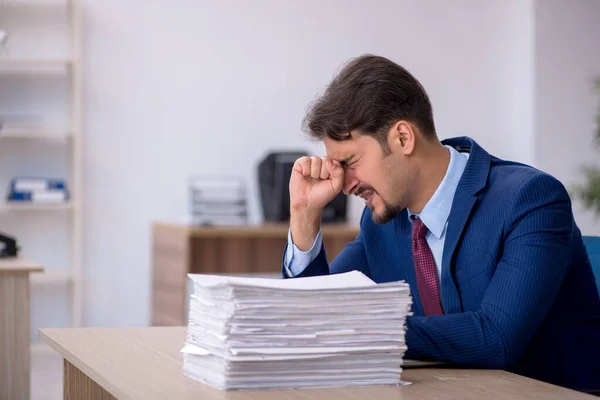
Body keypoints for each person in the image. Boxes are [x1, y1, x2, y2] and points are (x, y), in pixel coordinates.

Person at [281, 54, 600, 392]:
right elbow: (312, 320)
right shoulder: (381, 223)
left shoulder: (530, 199)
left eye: (351, 162)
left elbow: (496, 337)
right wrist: (304, 213)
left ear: (403, 137)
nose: (346, 185)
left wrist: (367, 327)